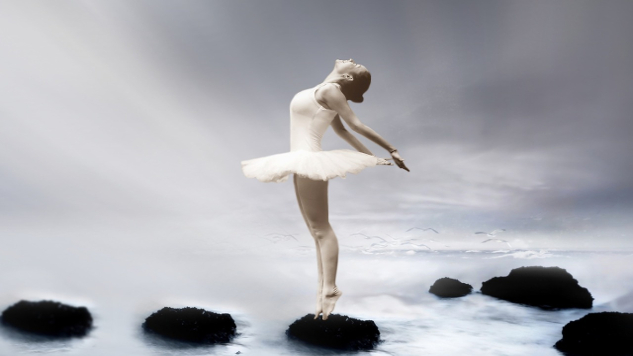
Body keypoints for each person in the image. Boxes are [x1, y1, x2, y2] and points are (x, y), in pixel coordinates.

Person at [241, 59, 409, 320]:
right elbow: (341, 131)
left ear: (350, 78)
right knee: (316, 232)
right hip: (299, 158)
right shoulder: (323, 91)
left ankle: (330, 289)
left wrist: (392, 149)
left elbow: (355, 125)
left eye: (356, 64)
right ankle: (321, 296)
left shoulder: (332, 91)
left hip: (309, 160)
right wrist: (369, 156)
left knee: (321, 229)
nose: (351, 60)